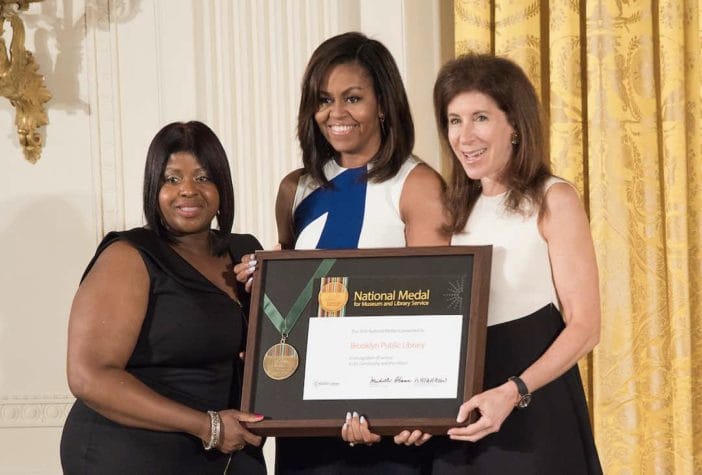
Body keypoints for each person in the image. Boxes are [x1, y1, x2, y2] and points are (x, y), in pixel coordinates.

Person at [236, 32, 448, 474]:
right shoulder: (295, 188)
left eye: (353, 98)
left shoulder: (417, 185)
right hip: (306, 418)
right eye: (324, 99)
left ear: (384, 104)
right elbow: (294, 302)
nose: (337, 114)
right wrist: (261, 280)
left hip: (388, 426)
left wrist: (413, 415)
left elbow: (436, 312)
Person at [428, 53, 603, 474]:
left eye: (480, 118)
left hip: (534, 416)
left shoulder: (553, 198)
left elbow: (586, 326)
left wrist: (513, 392)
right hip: (462, 420)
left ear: (515, 127)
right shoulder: (452, 209)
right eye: (454, 120)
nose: (465, 136)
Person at [60, 121, 267, 474]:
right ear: (153, 187)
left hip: (227, 451)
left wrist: (277, 289)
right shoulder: (129, 256)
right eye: (172, 179)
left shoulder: (246, 252)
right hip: (130, 451)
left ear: (222, 186)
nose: (188, 190)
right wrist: (208, 427)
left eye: (203, 178)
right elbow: (88, 376)